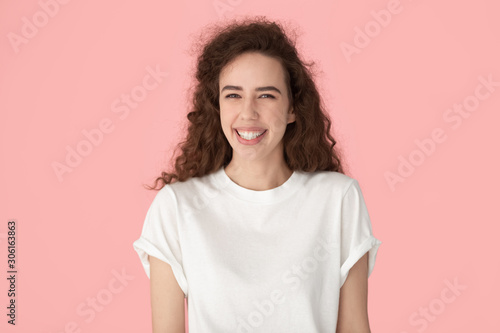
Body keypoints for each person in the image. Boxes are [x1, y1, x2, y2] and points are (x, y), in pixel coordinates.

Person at [132, 16, 382, 333]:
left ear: (293, 108)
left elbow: (355, 328)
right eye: (233, 95)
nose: (248, 113)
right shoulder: (177, 208)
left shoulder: (338, 199)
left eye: (266, 95)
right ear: (217, 106)